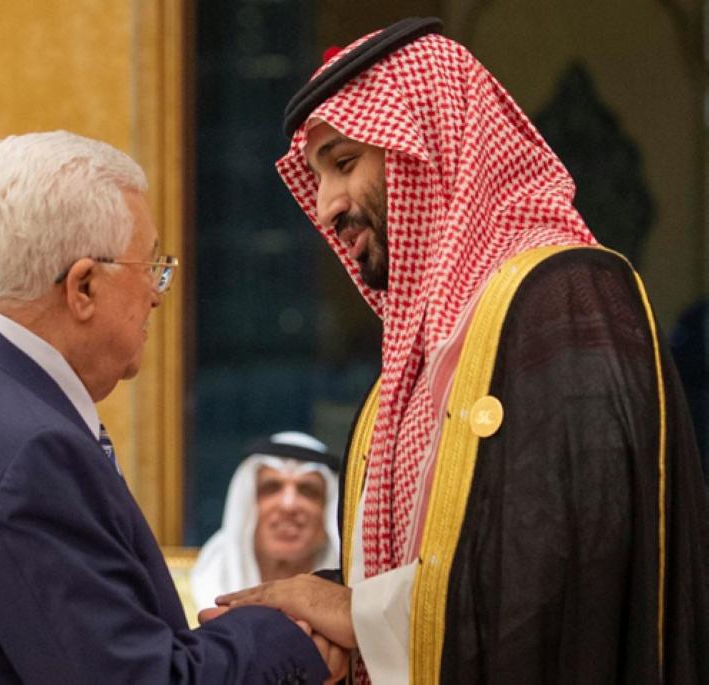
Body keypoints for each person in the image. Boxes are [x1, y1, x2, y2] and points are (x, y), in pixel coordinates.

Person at [217, 17, 709, 683]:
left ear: (431, 144)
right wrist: (301, 617)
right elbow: (427, 562)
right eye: (316, 176)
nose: (326, 206)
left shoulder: (569, 300)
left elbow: (573, 581)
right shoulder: (416, 358)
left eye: (343, 163)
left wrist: (352, 612)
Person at [0, 131, 345, 684]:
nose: (157, 293)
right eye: (151, 266)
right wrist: (290, 632)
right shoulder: (32, 451)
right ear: (83, 288)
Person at [190, 431, 339, 612]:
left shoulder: (351, 599)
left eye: (307, 491)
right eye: (271, 488)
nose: (288, 505)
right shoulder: (192, 592)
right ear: (246, 506)